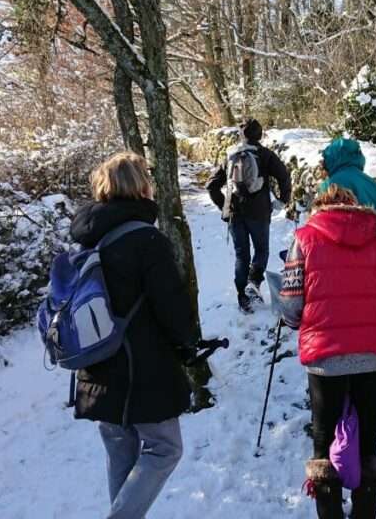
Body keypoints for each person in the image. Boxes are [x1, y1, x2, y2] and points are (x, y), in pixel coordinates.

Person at [70, 152, 199, 519]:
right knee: (164, 448)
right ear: (140, 186)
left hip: (95, 362)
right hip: (142, 367)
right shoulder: (146, 239)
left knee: (120, 451)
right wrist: (186, 342)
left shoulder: (87, 237)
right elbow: (170, 302)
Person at [279, 185, 376, 519]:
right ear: (355, 206)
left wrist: (293, 321)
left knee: (323, 445)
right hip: (374, 356)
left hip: (324, 357)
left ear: (319, 207)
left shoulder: (305, 238)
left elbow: (291, 302)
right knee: (367, 442)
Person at [207, 118, 292, 313]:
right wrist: (282, 200)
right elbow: (284, 176)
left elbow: (211, 185)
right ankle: (254, 281)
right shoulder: (265, 155)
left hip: (236, 213)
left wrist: (225, 206)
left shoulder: (230, 156)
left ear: (241, 135)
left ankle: (243, 298)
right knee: (261, 250)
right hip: (260, 212)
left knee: (241, 255)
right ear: (260, 135)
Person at [319, 138, 376, 218]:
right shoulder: (370, 182)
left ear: (333, 158)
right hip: (374, 228)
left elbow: (326, 219)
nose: (322, 163)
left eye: (326, 158)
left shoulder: (332, 183)